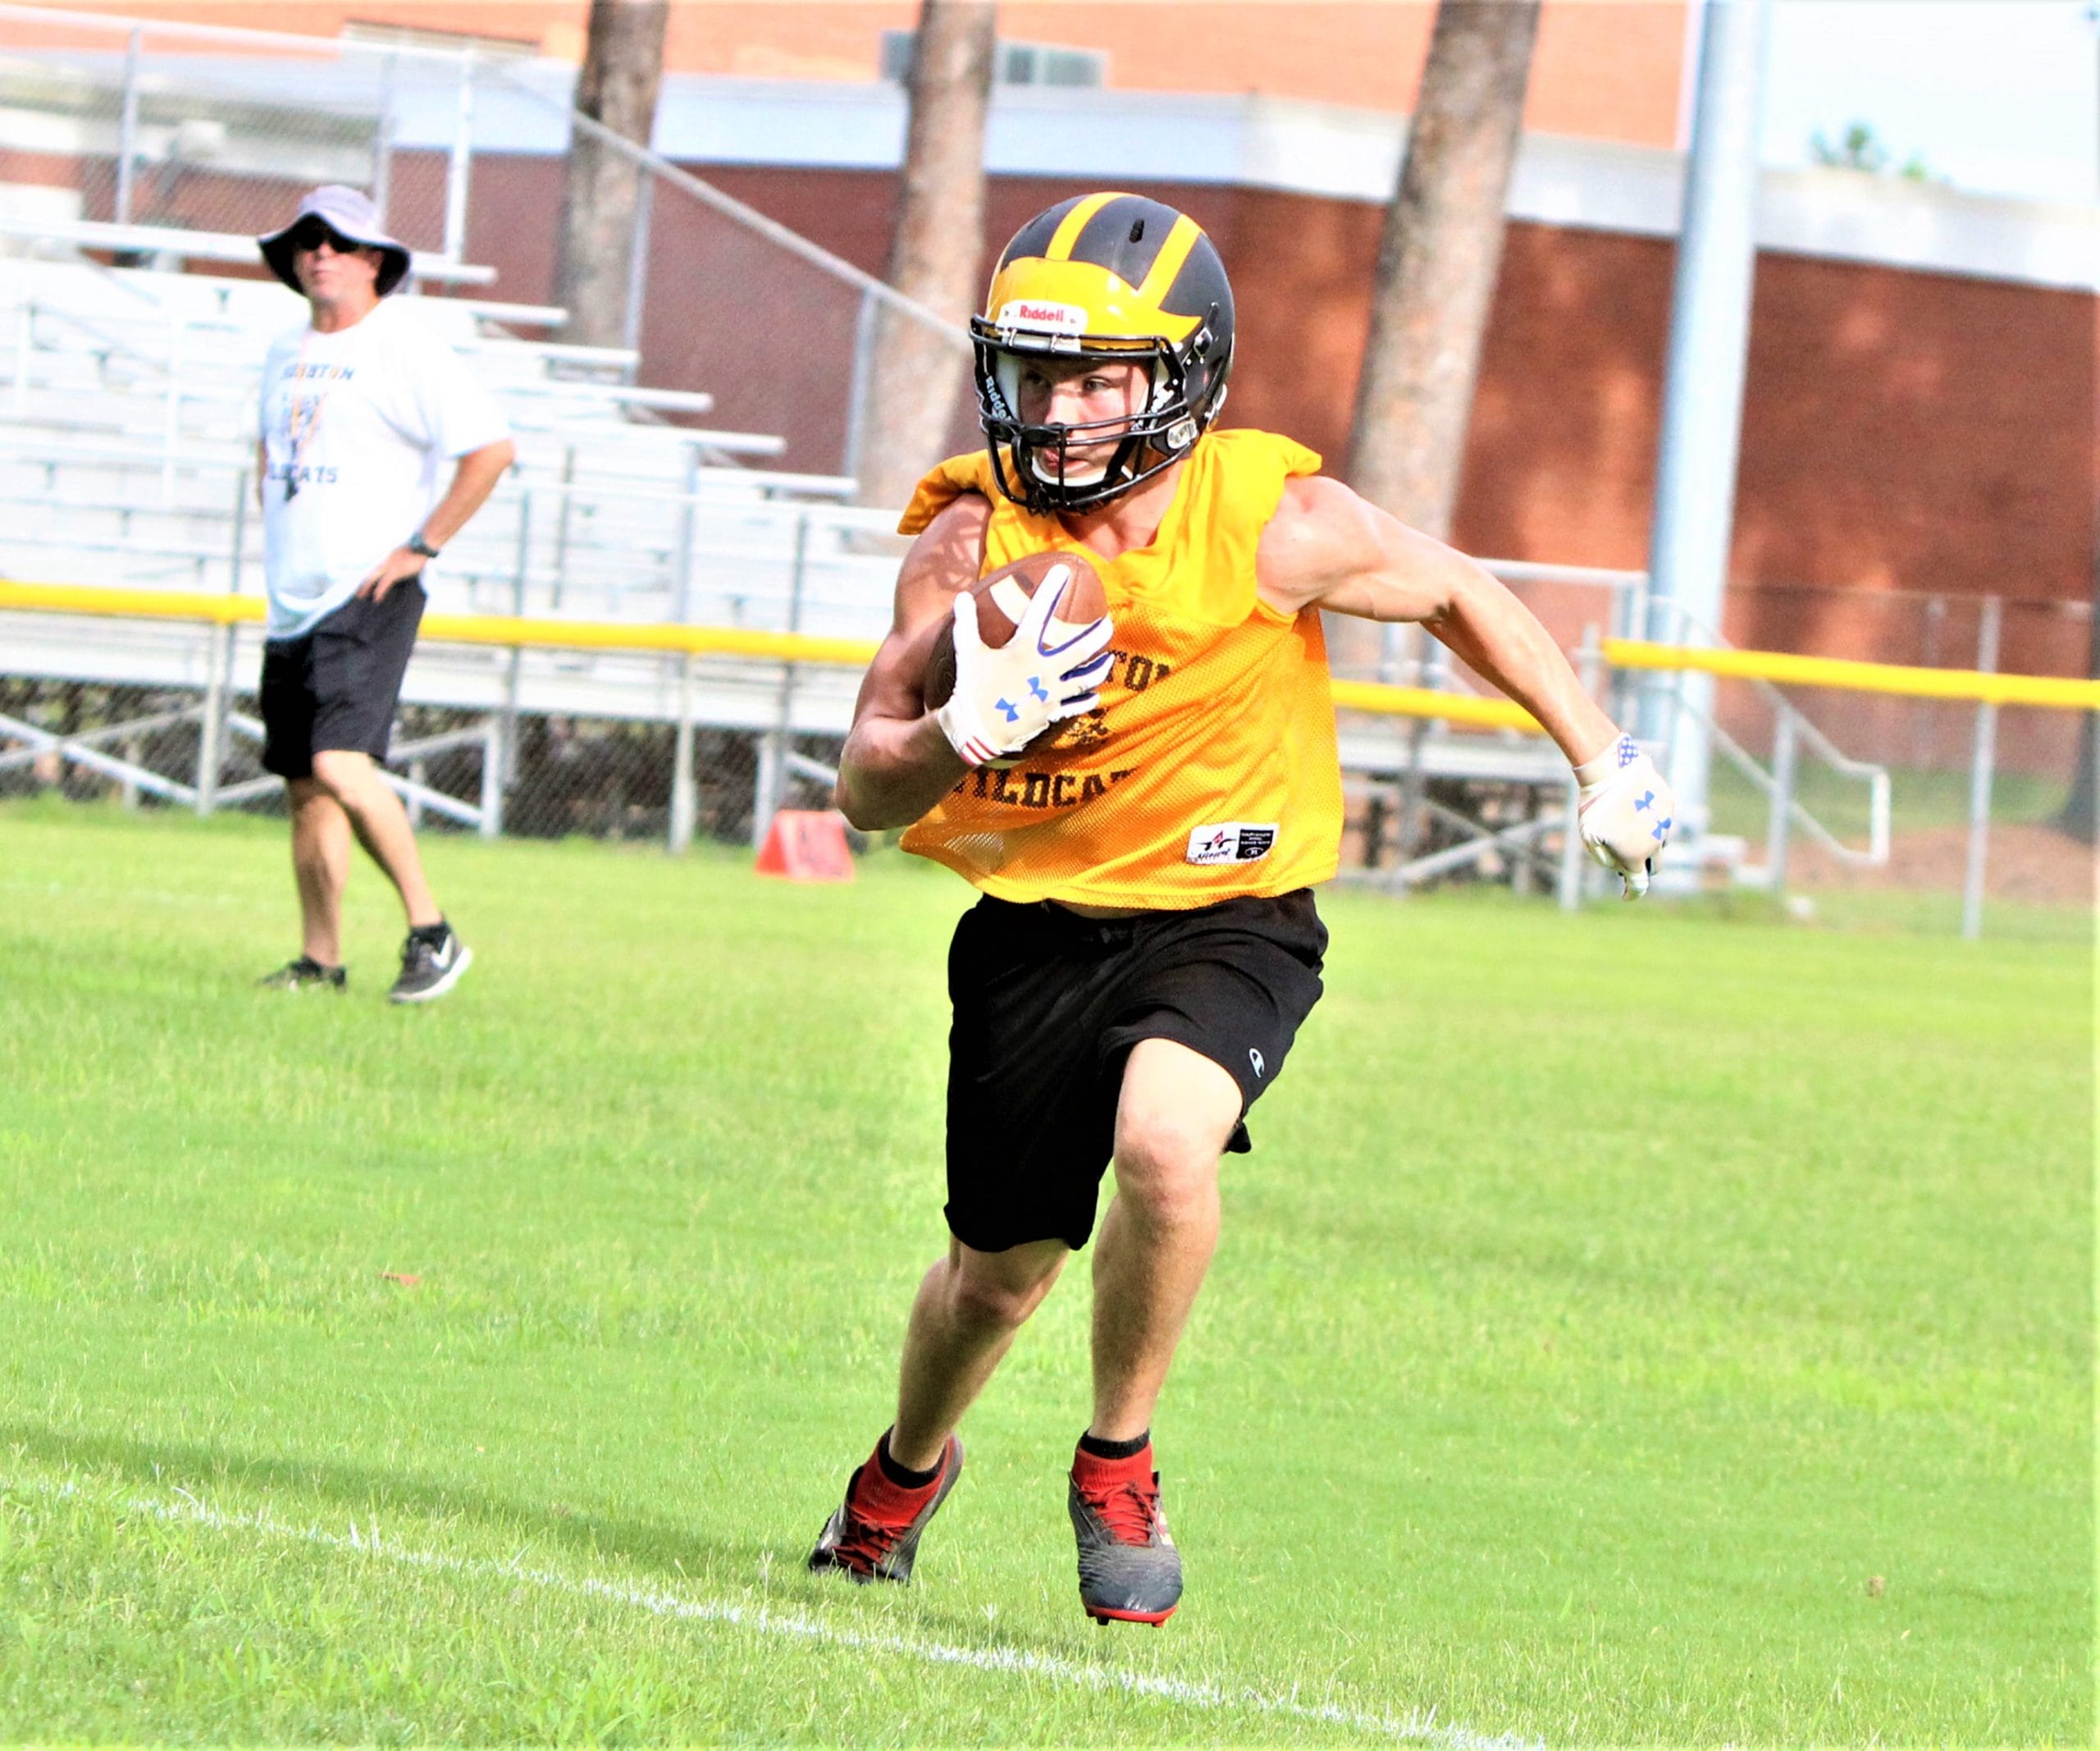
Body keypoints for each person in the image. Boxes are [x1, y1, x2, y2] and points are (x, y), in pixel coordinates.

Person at [809, 192, 1675, 1625]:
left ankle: (1117, 1456)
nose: (1064, 409)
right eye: (1038, 373)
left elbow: (1459, 593)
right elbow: (863, 786)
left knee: (1165, 1139)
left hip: (1231, 905)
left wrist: (1600, 750)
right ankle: (901, 1472)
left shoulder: (1276, 520)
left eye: (1099, 375)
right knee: (994, 1278)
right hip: (1035, 927)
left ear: (1183, 375)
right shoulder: (974, 537)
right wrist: (961, 724)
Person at [250, 185, 514, 1003]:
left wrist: (421, 545)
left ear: (373, 261)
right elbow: (268, 457)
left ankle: (432, 932)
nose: (319, 252)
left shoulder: (404, 347)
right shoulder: (281, 352)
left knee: (340, 761)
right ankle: (321, 961)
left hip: (366, 589)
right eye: (306, 240)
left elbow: (491, 450)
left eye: (337, 241)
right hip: (292, 598)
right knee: (306, 790)